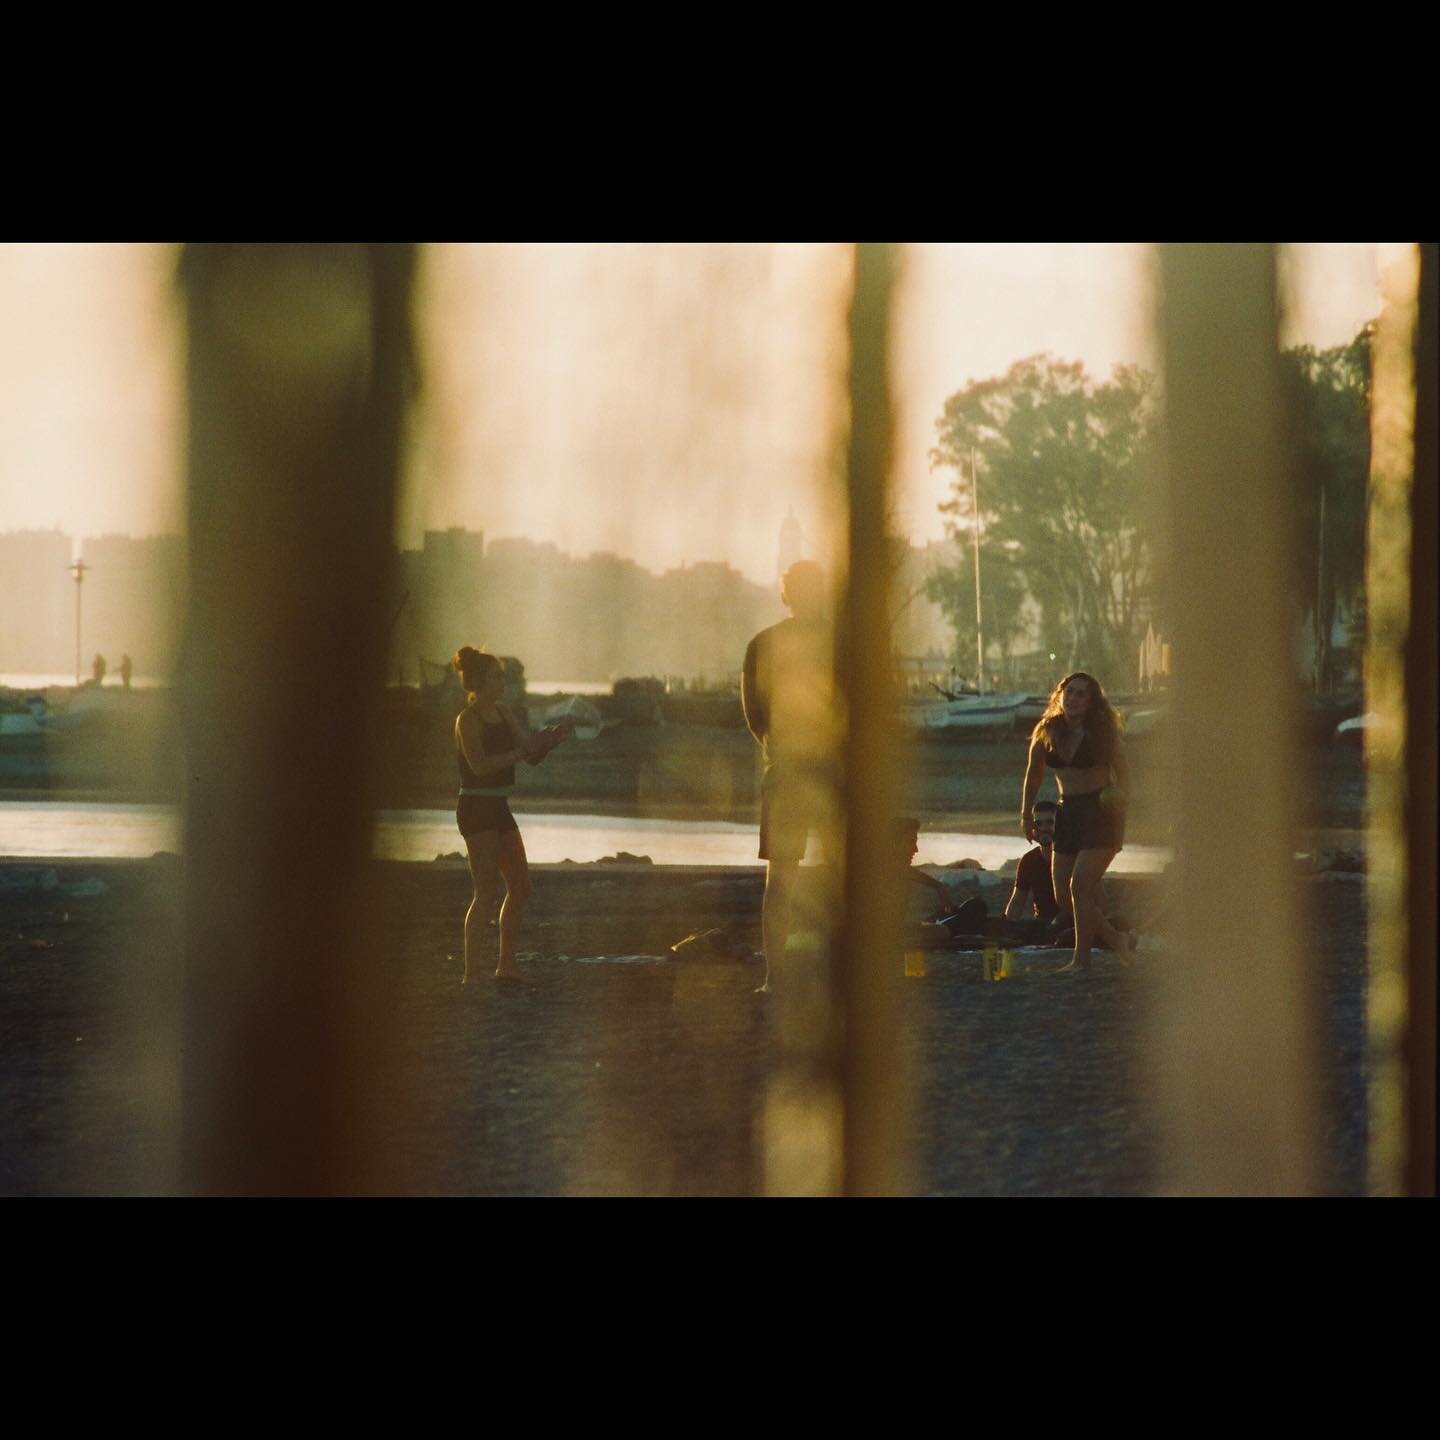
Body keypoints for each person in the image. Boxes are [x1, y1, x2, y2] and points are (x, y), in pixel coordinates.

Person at [742, 560, 839, 993]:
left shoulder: (841, 643)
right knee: (782, 877)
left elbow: (755, 714)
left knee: (811, 875)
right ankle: (775, 975)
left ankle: (806, 975)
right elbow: (755, 713)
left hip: (822, 770)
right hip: (794, 770)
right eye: (802, 587)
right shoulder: (764, 644)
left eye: (812, 587)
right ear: (788, 593)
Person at [452, 646, 568, 983]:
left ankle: (506, 965)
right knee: (485, 892)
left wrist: (547, 742)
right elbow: (479, 765)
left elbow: (528, 755)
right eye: (495, 676)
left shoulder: (503, 711)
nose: (502, 682)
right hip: (475, 807)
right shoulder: (467, 719)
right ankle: (471, 974)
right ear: (477, 682)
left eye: (502, 675)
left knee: (520, 887)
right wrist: (519, 752)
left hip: (499, 806)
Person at [1020, 672, 1133, 971]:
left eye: (1081, 694)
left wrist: (1120, 810)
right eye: (1069, 692)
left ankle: (1080, 960)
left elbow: (1125, 775)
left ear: (1092, 701)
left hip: (1100, 812)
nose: (1073, 698)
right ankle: (1115, 939)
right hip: (1066, 812)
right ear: (1060, 695)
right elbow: (1033, 776)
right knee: (1063, 894)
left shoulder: (1103, 734)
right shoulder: (1047, 730)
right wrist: (1025, 815)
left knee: (1080, 885)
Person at [1005, 799, 1061, 924]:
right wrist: (1006, 928)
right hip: (1041, 924)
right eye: (1038, 824)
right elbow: (1017, 903)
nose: (1044, 828)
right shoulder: (1029, 860)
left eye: (1050, 822)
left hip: (1070, 924)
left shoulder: (1072, 858)